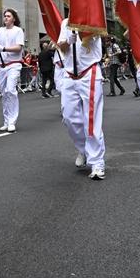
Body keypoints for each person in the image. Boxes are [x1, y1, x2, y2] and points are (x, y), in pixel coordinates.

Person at [56, 18, 106, 180]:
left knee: (91, 120)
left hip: (88, 72)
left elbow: (95, 37)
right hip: (70, 75)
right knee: (69, 117)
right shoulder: (65, 23)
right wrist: (68, 40)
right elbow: (62, 48)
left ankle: (97, 161)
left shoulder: (93, 16)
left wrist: (80, 30)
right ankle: (83, 149)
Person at [0, 9, 25, 132]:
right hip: (1, 66)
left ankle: (12, 121)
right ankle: (6, 121)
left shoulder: (18, 31)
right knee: (4, 94)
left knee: (11, 90)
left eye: (8, 16)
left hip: (14, 65)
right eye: (4, 16)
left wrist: (4, 49)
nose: (5, 18)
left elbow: (18, 48)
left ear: (14, 18)